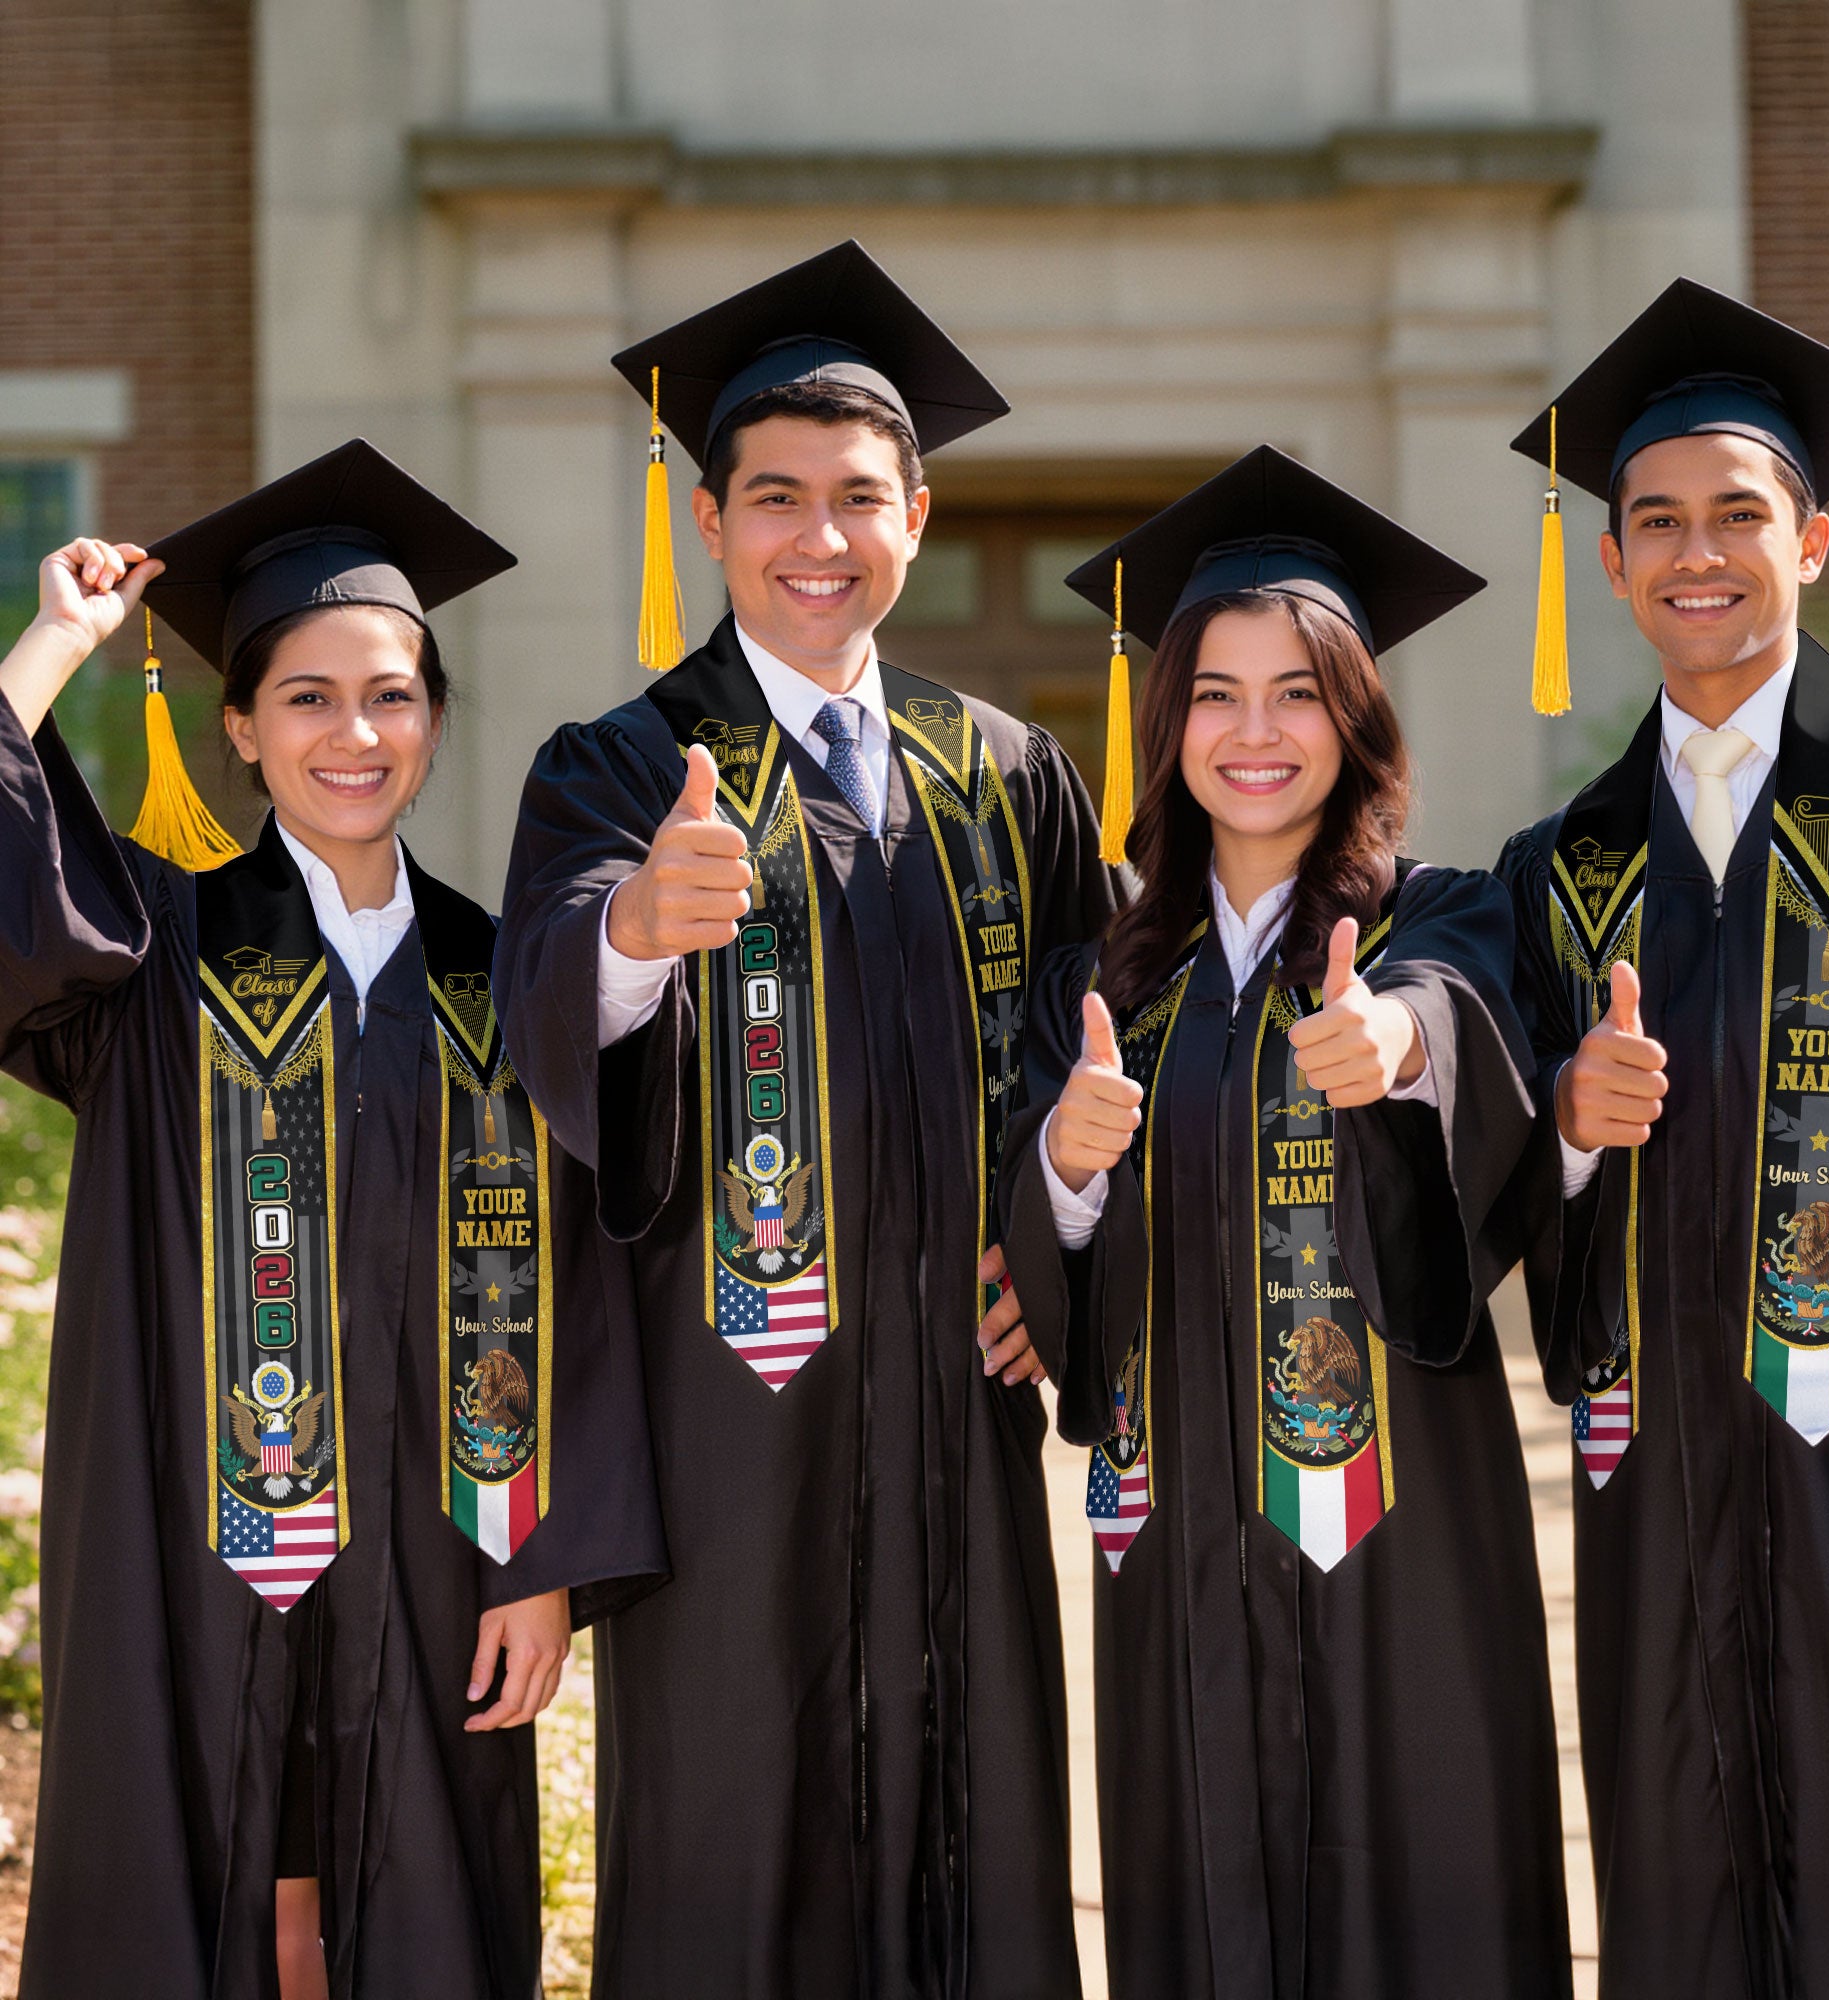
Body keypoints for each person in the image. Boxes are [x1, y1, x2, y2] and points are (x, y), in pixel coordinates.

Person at [494, 241, 1120, 1998]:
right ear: (710, 521)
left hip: (956, 1410)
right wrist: (631, 931)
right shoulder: (622, 765)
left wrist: (1056, 1244)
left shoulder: (1004, 768)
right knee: (735, 1844)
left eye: (860, 498)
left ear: (917, 514)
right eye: (776, 498)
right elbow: (544, 1002)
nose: (818, 538)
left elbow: (1110, 1043)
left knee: (975, 1828)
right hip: (731, 1418)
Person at [0, 441, 664, 2000]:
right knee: (203, 1872)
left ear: (434, 718)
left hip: (443, 1549)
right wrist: (52, 647)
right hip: (190, 1535)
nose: (352, 733)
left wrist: (544, 1559)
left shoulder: (507, 977)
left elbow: (587, 1281)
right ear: (239, 726)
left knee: (420, 1896)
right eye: (305, 696)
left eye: (391, 694)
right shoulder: (152, 952)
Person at [999, 447, 1571, 1999]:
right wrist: (1063, 1159)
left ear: (1358, 717)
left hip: (1406, 1537)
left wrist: (1393, 1050)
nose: (1257, 734)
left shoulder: (1443, 915)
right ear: (1166, 721)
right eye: (1216, 694)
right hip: (1176, 1530)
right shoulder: (1103, 983)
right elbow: (1051, 1264)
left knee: (1425, 1896)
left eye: (1300, 692)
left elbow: (1460, 1026)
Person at [1497, 279, 1829, 1999]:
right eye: (1655, 522)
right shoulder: (1569, 861)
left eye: (1737, 515)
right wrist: (1564, 1127)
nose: (1694, 553)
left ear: (1814, 539)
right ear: (1616, 562)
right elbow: (1495, 1172)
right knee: (1683, 1894)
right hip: (1662, 1487)